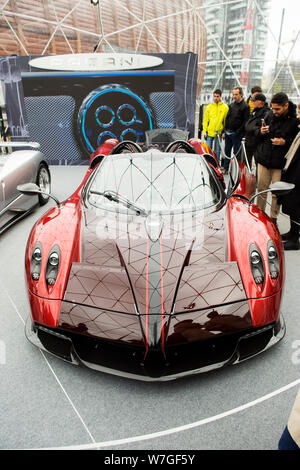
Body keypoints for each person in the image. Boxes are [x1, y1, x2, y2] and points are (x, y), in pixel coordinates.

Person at [254, 92, 298, 225]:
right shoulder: (269, 115)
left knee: (276, 193)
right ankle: (259, 217)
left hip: (279, 163)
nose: (274, 111)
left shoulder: (294, 121)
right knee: (261, 190)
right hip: (264, 159)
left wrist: (285, 142)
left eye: (277, 109)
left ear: (286, 105)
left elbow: (296, 142)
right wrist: (261, 132)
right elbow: (258, 134)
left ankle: (273, 219)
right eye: (273, 108)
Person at [278, 103, 300, 250]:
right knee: (293, 203)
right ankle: (292, 233)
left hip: (298, 174)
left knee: (296, 204)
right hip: (295, 170)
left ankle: (295, 239)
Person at [223, 86, 250, 173]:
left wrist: (238, 132)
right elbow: (227, 118)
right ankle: (225, 168)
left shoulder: (245, 106)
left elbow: (245, 121)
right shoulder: (231, 105)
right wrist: (225, 130)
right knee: (227, 151)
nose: (234, 96)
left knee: (237, 153)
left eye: (236, 94)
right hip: (228, 132)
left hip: (237, 134)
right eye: (233, 94)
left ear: (241, 94)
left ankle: (237, 170)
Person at [244, 93, 270, 170]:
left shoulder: (266, 113)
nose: (253, 102)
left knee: (259, 167)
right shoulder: (255, 111)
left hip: (257, 144)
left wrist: (252, 128)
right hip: (249, 142)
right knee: (246, 165)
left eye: (255, 101)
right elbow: (248, 125)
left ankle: (257, 181)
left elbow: (259, 128)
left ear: (261, 102)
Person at [202, 89, 228, 164]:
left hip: (219, 133)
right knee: (208, 150)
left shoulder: (225, 107)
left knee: (217, 151)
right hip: (210, 132)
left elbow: (226, 121)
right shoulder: (209, 107)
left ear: (220, 97)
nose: (215, 98)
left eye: (217, 96)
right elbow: (205, 120)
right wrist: (204, 131)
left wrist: (224, 132)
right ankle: (207, 164)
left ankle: (216, 165)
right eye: (214, 96)